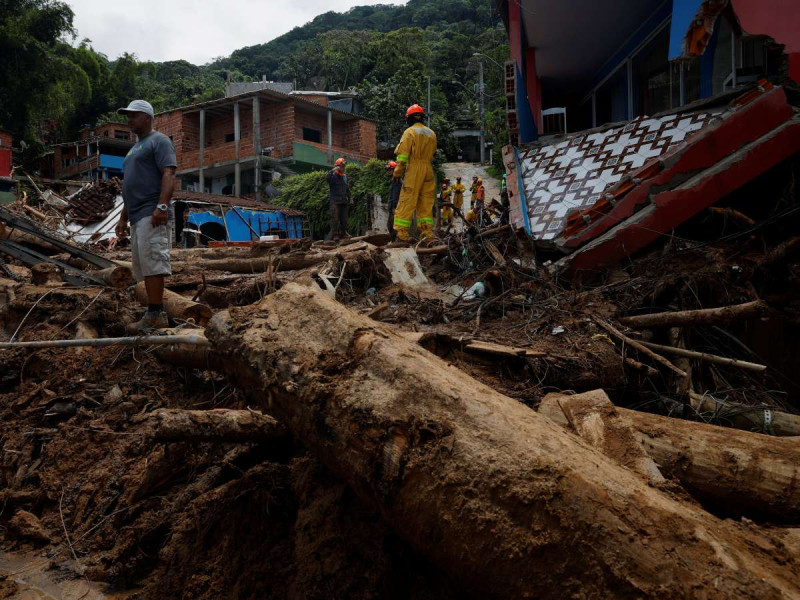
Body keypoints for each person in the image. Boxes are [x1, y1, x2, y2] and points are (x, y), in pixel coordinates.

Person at [114, 99, 177, 334]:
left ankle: (156, 314)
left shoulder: (159, 141)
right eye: (127, 115)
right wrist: (122, 217)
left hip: (152, 211)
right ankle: (152, 311)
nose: (129, 119)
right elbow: (129, 186)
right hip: (136, 214)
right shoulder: (132, 150)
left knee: (154, 263)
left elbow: (169, 173)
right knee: (143, 266)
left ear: (148, 117)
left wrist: (162, 207)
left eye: (134, 115)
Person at [392, 104, 437, 241]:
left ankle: (402, 234)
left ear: (409, 118)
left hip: (415, 169)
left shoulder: (410, 132)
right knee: (426, 202)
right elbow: (433, 153)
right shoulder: (431, 133)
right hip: (428, 170)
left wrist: (397, 173)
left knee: (407, 200)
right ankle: (427, 234)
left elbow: (403, 156)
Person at [325, 157, 351, 240]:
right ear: (338, 166)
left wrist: (350, 199)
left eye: (344, 166)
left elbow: (347, 189)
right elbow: (326, 179)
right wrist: (332, 170)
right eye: (342, 166)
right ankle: (335, 234)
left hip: (344, 201)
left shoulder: (345, 177)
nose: (343, 168)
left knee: (344, 219)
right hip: (335, 201)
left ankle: (343, 233)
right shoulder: (332, 175)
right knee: (335, 219)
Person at [385, 160, 402, 241]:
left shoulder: (397, 182)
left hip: (395, 209)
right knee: (391, 226)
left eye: (390, 170)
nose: (388, 171)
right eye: (387, 170)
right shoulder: (394, 181)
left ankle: (395, 242)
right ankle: (395, 241)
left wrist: (394, 207)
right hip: (393, 208)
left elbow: (396, 196)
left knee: (392, 226)